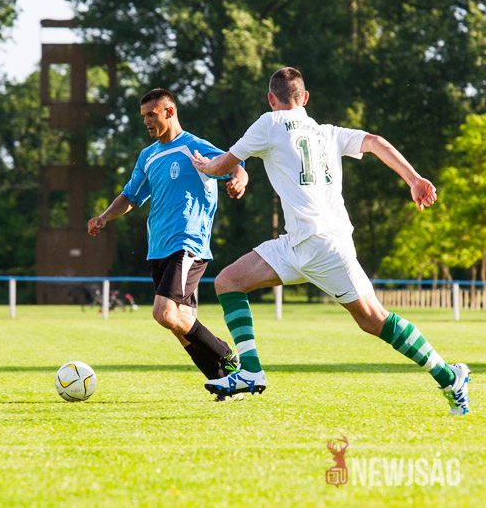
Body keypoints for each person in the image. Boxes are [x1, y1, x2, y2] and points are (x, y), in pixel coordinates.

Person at [192, 67, 471, 416]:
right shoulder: (328, 132)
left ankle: (450, 377)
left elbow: (223, 166)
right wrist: (413, 179)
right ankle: (250, 371)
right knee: (229, 281)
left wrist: (204, 166)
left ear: (271, 99)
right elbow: (376, 142)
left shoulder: (269, 123)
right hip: (297, 243)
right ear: (305, 98)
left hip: (325, 246)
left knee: (374, 319)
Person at [87, 88, 249, 399]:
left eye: (152, 114)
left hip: (187, 244)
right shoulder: (148, 156)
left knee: (163, 314)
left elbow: (234, 163)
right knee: (180, 323)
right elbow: (130, 196)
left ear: (170, 112)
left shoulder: (195, 146)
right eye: (143, 116)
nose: (146, 121)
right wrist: (104, 217)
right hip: (157, 249)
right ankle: (225, 384)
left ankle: (227, 356)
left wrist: (238, 178)